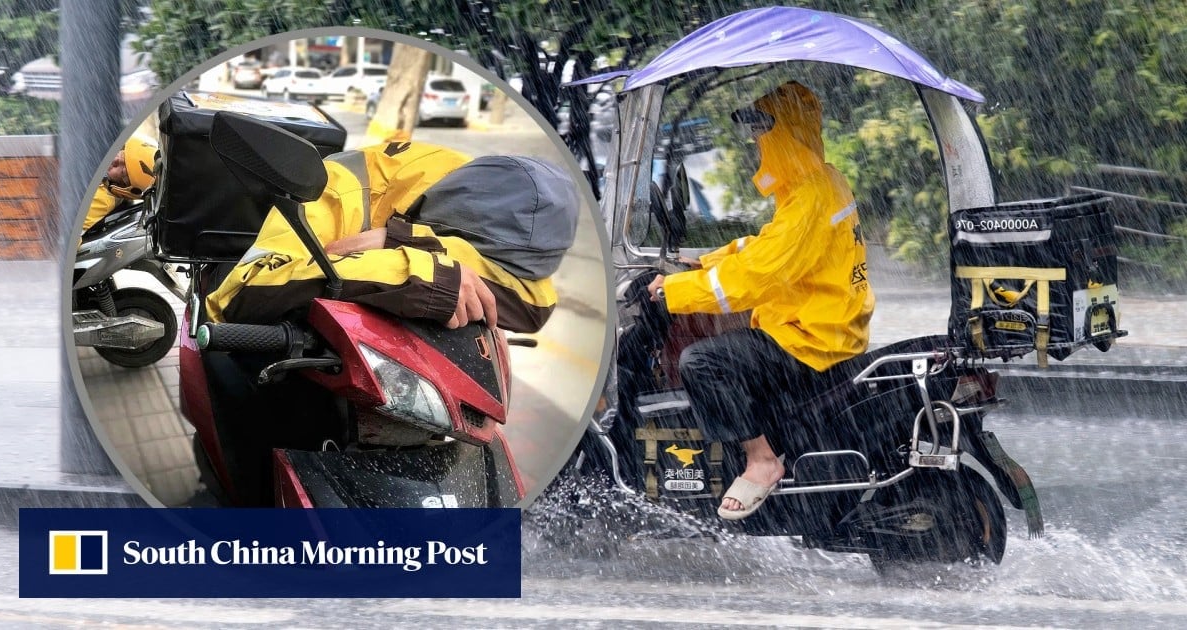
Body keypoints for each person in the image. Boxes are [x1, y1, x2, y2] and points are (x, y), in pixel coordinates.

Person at [647, 81, 874, 520]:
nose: (756, 144)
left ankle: (762, 460)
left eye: (763, 135)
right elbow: (769, 246)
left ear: (785, 136)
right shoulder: (819, 183)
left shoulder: (810, 198)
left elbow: (762, 275)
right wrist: (703, 260)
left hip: (810, 338)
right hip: (825, 325)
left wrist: (675, 291)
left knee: (702, 363)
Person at [205, 141, 578, 335]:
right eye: (455, 252)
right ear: (432, 223)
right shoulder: (336, 191)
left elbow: (535, 305)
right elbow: (240, 296)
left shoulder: (478, 193)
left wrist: (402, 240)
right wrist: (420, 272)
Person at [81, 134, 158, 235]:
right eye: (122, 153)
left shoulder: (100, 202)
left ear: (124, 188)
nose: (114, 160)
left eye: (122, 171)